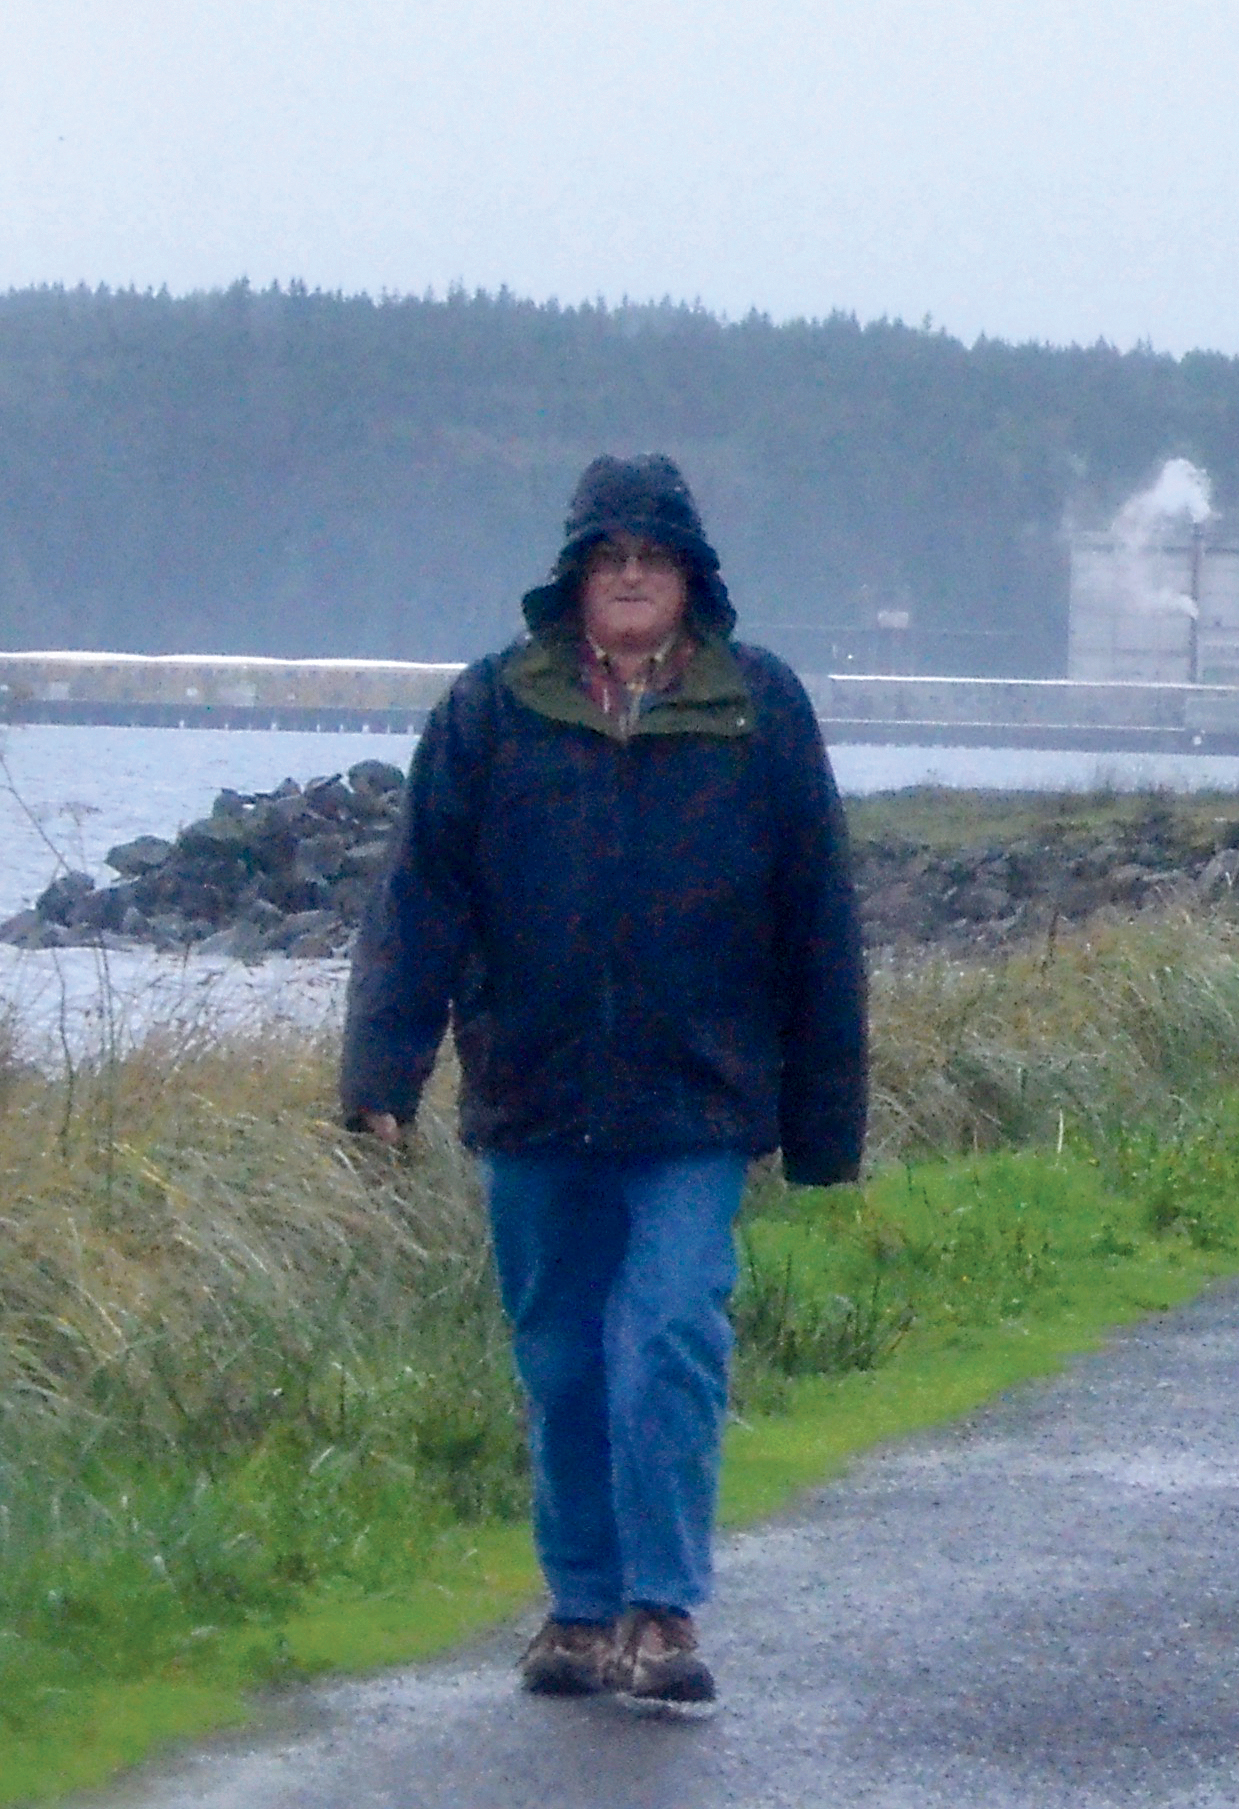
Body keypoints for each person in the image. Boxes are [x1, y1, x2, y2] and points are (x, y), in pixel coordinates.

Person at [342, 454, 867, 1710]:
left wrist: (824, 1122)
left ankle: (662, 1610)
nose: (631, 578)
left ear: (692, 578)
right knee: (564, 1360)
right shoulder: (490, 708)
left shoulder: (760, 708)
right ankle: (581, 1612)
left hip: (696, 1097)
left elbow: (818, 919)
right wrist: (382, 1072)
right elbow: (419, 901)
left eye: (653, 558)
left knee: (669, 1337)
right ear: (574, 577)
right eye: (610, 558)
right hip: (533, 1091)